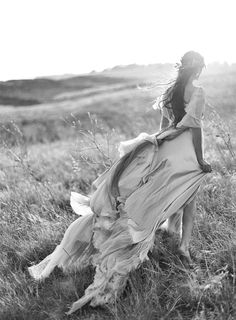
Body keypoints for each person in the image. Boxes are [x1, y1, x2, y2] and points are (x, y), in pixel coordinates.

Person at [28, 51, 212, 314]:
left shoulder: (171, 91)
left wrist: (154, 146)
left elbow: (162, 125)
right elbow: (195, 127)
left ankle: (172, 233)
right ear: (200, 68)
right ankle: (182, 245)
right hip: (184, 151)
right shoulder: (198, 90)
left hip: (163, 146)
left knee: (160, 195)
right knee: (188, 193)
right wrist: (200, 159)